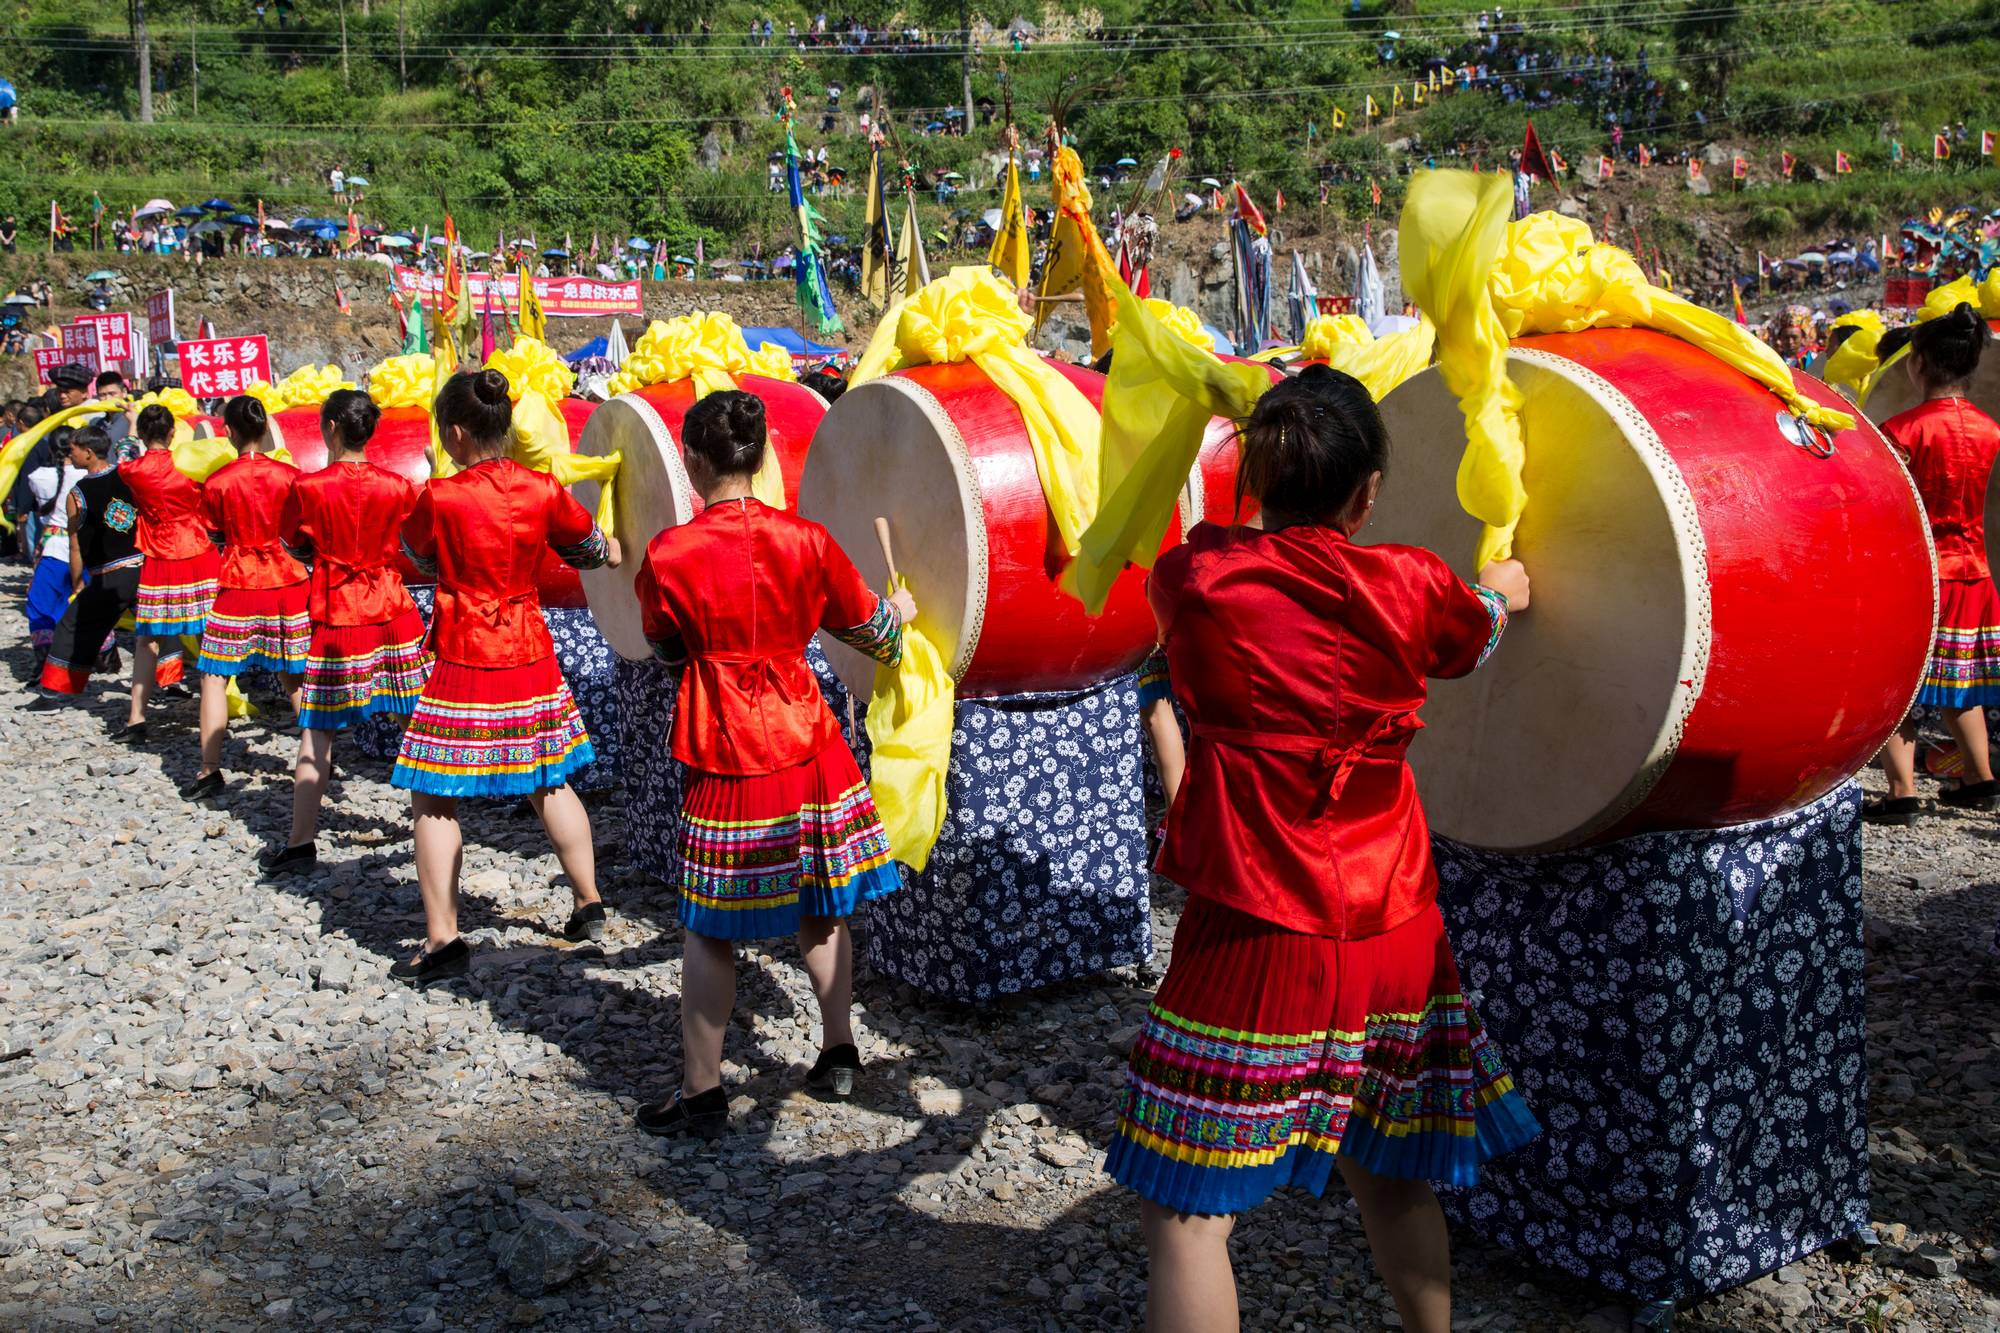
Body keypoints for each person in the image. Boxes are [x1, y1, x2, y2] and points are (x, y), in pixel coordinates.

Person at [1102, 366, 1540, 1333]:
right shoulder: (1417, 585)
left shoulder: (1196, 582)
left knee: (1185, 1210)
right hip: (1394, 923)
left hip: (1258, 925)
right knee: (1390, 1174)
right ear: (1370, 491)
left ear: (1252, 478)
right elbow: (1474, 632)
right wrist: (1501, 591)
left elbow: (1203, 554)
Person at [627, 390, 910, 1138]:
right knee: (821, 905)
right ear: (764, 458)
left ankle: (703, 1089)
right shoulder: (809, 540)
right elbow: (877, 634)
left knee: (709, 926)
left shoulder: (668, 554)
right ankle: (839, 1050)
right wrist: (902, 616)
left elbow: (663, 646)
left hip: (724, 748)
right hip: (808, 741)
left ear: (691, 461)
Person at [388, 369, 618, 985]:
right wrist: (615, 548)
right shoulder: (543, 488)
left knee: (434, 797)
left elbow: (420, 555)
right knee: (551, 778)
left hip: (465, 648)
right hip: (530, 645)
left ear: (457, 434)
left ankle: (443, 938)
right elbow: (591, 549)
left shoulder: (442, 496)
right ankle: (589, 902)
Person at [264, 390, 431, 876]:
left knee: (317, 735)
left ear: (332, 427)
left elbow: (293, 544)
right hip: (392, 610)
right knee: (413, 727)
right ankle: (432, 826)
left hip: (338, 611)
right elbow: (419, 542)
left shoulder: (308, 488)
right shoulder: (398, 485)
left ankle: (301, 842)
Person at [1867, 305, 1999, 821]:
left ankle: (1902, 793)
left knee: (1897, 683)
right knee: (1960, 680)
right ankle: (1980, 778)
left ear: (1916, 364)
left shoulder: (1901, 431)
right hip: (1979, 572)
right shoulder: (1992, 430)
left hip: (1923, 576)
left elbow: (1883, 508)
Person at [183, 396, 310, 800]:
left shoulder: (217, 482)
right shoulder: (291, 476)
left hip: (238, 583)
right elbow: (302, 533)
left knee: (214, 676)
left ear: (230, 432)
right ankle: (316, 758)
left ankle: (209, 769)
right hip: (287, 581)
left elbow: (213, 531)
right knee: (295, 676)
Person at [21, 426, 140, 710]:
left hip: (110, 574)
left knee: (72, 626)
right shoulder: (128, 475)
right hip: (142, 566)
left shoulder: (79, 493)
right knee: (156, 628)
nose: (69, 453)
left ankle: (53, 693)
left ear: (88, 453)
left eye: (73, 449)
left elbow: (75, 545)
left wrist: (78, 582)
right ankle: (172, 680)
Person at [119, 403, 215, 738]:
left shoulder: (133, 470)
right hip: (198, 551)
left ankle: (137, 716)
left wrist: (130, 425)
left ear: (144, 435)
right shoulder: (189, 465)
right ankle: (213, 707)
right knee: (207, 637)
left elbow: (123, 453)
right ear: (173, 433)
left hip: (159, 554)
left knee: (148, 639)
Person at [22, 425, 83, 667]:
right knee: (79, 602)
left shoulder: (39, 477)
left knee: (40, 606)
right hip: (86, 551)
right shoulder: (87, 476)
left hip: (55, 549)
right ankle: (100, 653)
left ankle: (47, 659)